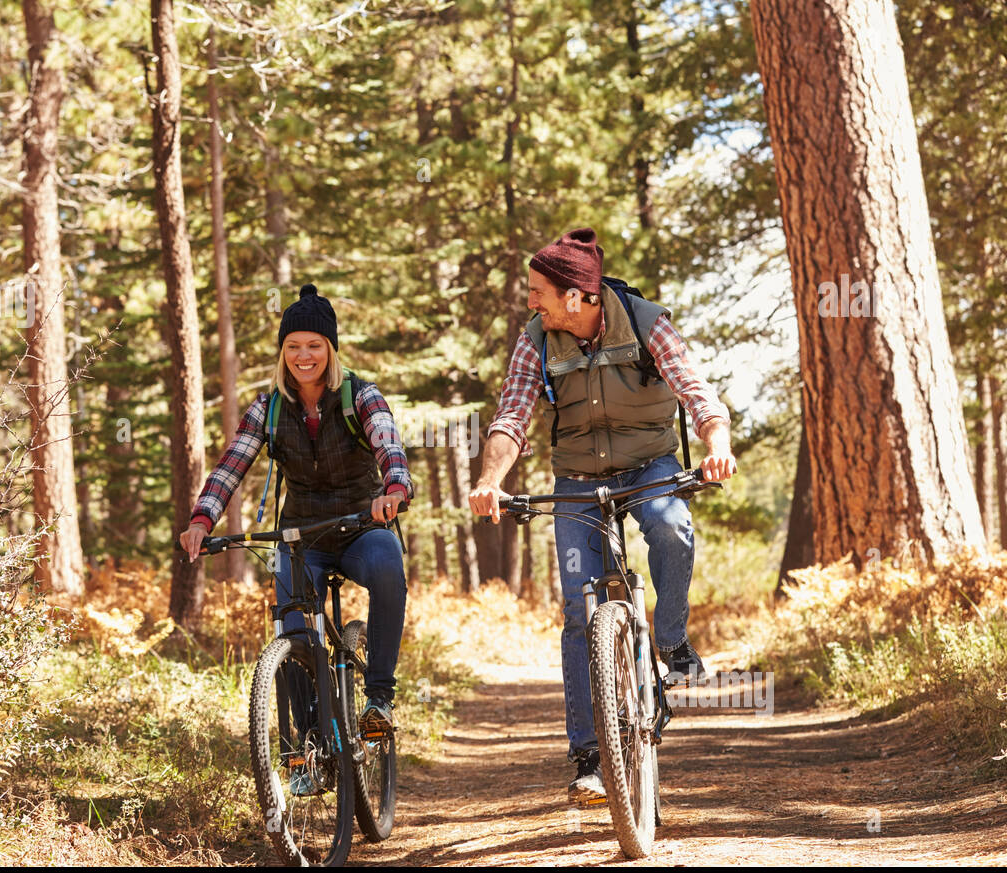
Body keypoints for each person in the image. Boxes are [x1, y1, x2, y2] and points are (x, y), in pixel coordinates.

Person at [468, 228, 737, 805]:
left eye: (539, 290)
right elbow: (512, 415)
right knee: (577, 608)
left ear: (575, 296)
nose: (531, 301)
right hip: (578, 480)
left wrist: (717, 445)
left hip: (650, 465)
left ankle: (671, 641)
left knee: (670, 526)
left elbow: (697, 394)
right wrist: (491, 481)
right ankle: (590, 755)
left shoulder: (645, 323)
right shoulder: (536, 340)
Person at [179, 284, 413, 753]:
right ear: (282, 353)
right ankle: (306, 748)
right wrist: (203, 520)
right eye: (293, 347)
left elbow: (389, 446)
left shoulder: (359, 396)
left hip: (360, 530)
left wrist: (394, 489)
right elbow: (230, 468)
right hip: (301, 536)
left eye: (314, 346)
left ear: (330, 349)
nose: (303, 356)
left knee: (389, 568)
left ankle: (379, 699)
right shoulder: (266, 410)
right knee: (291, 626)